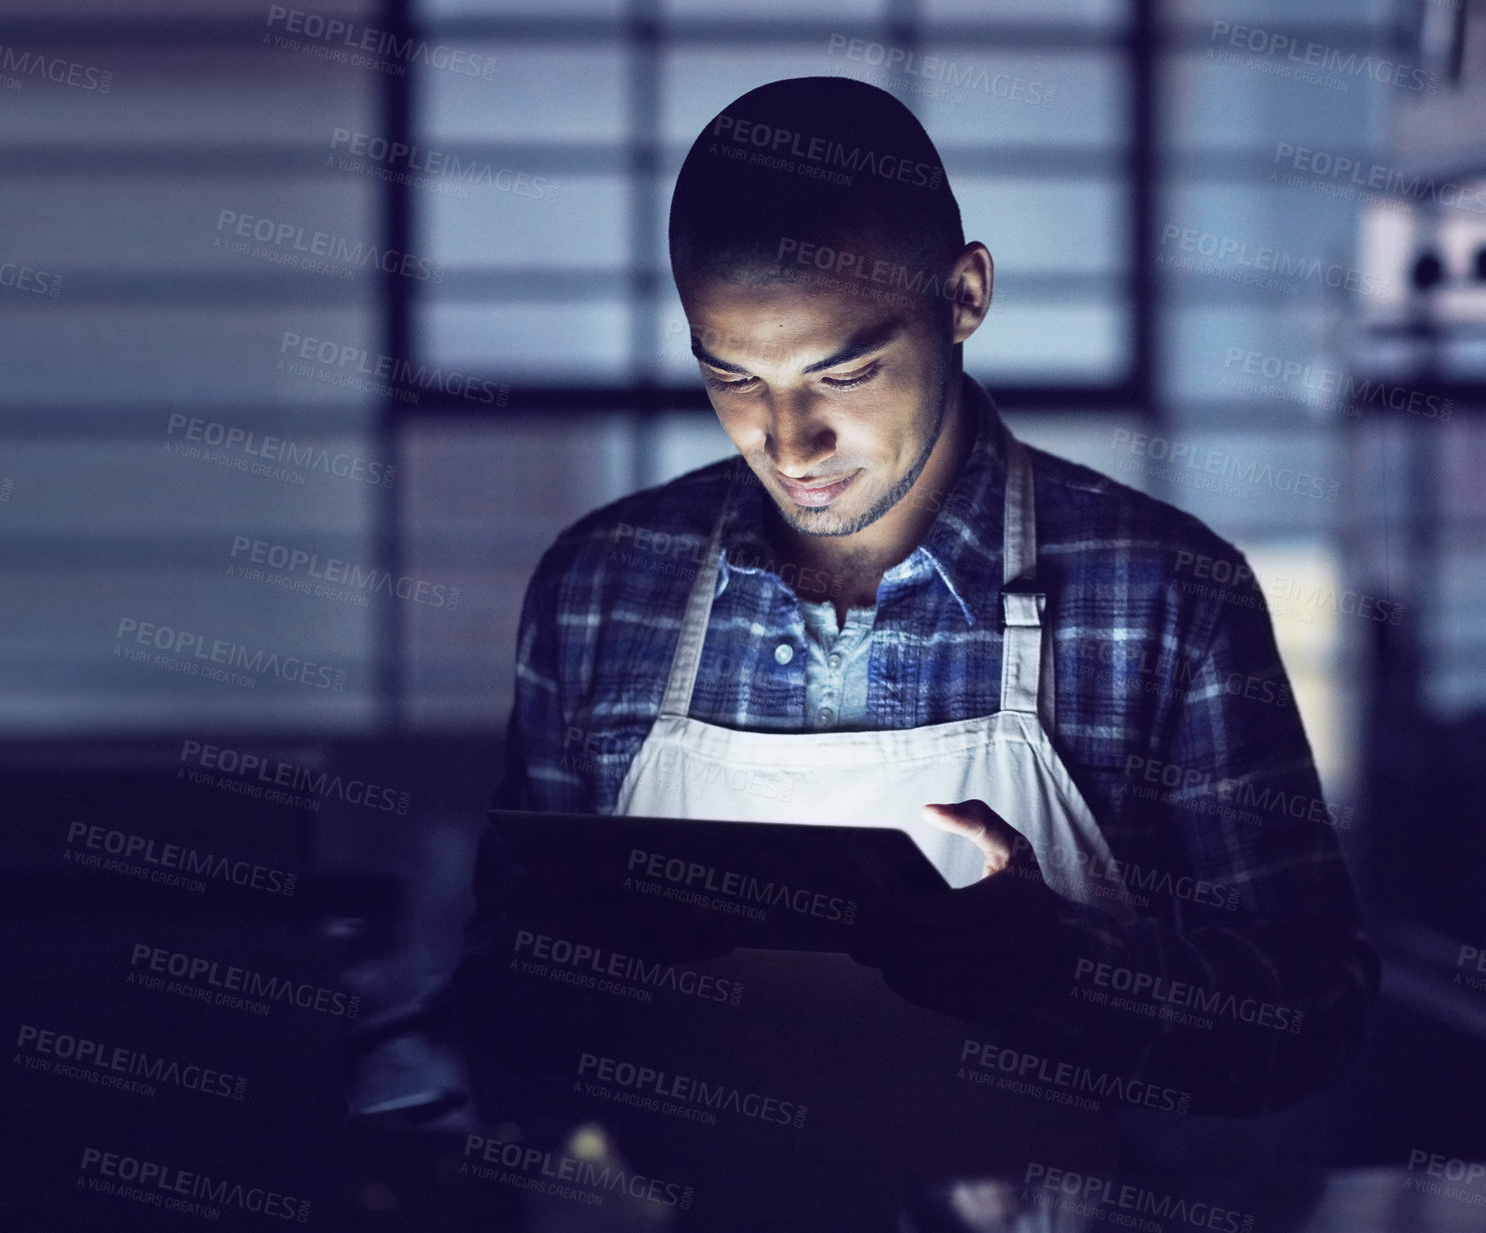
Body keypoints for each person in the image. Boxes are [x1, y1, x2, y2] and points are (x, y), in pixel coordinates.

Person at [420, 76, 1379, 1230]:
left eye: (844, 371)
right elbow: (493, 1023)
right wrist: (566, 972)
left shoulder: (1159, 593)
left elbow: (1310, 1021)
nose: (789, 440)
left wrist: (1058, 969)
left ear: (964, 295)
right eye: (733, 376)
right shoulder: (600, 588)